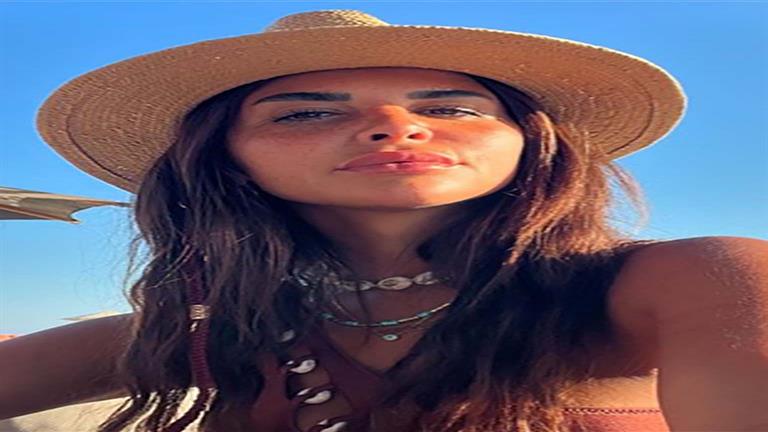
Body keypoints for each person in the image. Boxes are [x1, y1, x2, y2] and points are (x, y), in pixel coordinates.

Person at [1, 9, 766, 432]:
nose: (397, 128)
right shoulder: (204, 329)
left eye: (453, 108)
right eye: (305, 112)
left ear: (527, 142)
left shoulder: (694, 281)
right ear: (225, 159)